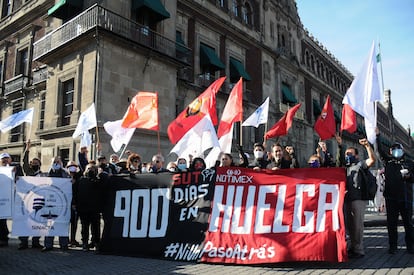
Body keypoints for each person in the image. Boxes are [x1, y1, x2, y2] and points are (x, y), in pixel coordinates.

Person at [336, 135, 376, 258]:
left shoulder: (360, 165)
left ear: (356, 155)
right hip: (346, 199)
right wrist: (340, 145)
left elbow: (372, 160)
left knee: (357, 225)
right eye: (347, 153)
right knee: (348, 225)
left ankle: (358, 249)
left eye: (351, 153)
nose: (348, 155)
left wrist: (367, 146)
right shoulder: (344, 167)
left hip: (358, 199)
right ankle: (351, 247)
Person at [376, 133, 414, 255]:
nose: (396, 151)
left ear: (402, 151)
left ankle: (410, 246)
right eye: (393, 149)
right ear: (391, 152)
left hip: (406, 197)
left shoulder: (410, 163)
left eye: (398, 149)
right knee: (391, 224)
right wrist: (377, 136)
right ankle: (393, 246)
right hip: (391, 198)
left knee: (408, 223)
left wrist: (409, 176)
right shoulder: (388, 162)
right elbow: (379, 151)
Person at [18, 141, 43, 250]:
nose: (34, 164)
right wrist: (27, 149)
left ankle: (35, 242)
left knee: (37, 222)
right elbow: (24, 162)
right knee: (24, 222)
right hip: (26, 201)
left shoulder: (43, 175)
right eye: (32, 162)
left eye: (36, 163)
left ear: (39, 165)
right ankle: (23, 242)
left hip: (38, 202)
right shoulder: (28, 172)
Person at [42, 156, 71, 252]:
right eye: (54, 162)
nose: (56, 163)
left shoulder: (66, 174)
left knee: (62, 224)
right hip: (50, 203)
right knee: (50, 224)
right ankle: (48, 245)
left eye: (58, 162)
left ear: (62, 163)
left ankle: (64, 245)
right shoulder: (46, 174)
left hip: (62, 203)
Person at [74, 164, 103, 251]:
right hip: (83, 208)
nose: (90, 170)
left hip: (95, 208)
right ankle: (85, 243)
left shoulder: (98, 181)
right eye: (88, 169)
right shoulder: (80, 181)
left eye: (93, 169)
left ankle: (96, 243)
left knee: (96, 227)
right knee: (84, 227)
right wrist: (75, 204)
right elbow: (75, 193)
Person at [66, 161, 82, 247]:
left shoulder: (79, 178)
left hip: (75, 204)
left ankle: (73, 239)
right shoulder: (64, 177)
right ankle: (65, 239)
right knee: (65, 222)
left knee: (74, 222)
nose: (72, 168)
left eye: (74, 166)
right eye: (70, 166)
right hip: (65, 204)